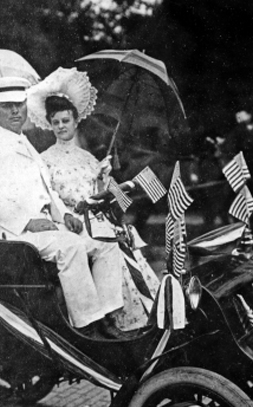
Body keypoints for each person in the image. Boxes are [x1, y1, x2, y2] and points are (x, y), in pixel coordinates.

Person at [0, 77, 124, 338]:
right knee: (72, 247)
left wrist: (63, 214)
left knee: (105, 241)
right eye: (7, 106)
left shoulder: (25, 143)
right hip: (12, 234)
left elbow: (46, 189)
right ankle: (87, 327)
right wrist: (27, 222)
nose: (16, 111)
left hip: (45, 227)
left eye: (19, 104)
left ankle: (108, 317)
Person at [27, 67, 160, 332]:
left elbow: (99, 194)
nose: (62, 126)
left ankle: (127, 313)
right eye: (56, 122)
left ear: (76, 121)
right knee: (104, 243)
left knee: (121, 242)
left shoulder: (88, 158)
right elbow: (48, 199)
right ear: (50, 125)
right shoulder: (44, 160)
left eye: (66, 120)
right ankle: (103, 319)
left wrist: (103, 178)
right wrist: (67, 214)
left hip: (96, 220)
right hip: (69, 223)